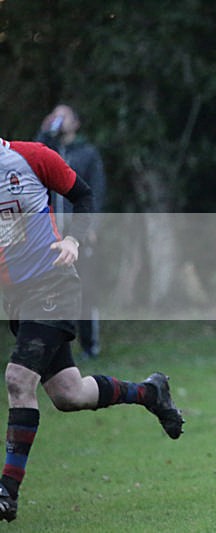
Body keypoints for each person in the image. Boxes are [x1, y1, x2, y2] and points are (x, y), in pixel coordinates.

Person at [0, 138, 184, 522]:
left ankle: (7, 492)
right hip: (16, 299)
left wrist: (72, 238)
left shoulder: (31, 156)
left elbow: (83, 195)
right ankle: (151, 392)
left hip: (53, 283)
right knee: (70, 394)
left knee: (18, 380)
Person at [37, 104, 106, 359]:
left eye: (64, 116)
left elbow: (95, 191)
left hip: (77, 235)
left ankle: (90, 346)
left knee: (84, 287)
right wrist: (44, 133)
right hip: (51, 235)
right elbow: (28, 168)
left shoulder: (87, 154)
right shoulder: (46, 150)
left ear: (76, 123)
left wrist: (91, 226)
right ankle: (54, 346)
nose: (59, 120)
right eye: (55, 115)